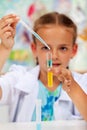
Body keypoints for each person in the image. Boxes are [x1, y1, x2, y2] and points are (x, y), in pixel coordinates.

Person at [0, 12, 87, 122]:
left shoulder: (83, 83)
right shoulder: (19, 78)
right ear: (34, 49)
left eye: (63, 48)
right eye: (46, 48)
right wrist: (4, 48)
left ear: (73, 50)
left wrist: (73, 88)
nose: (54, 56)